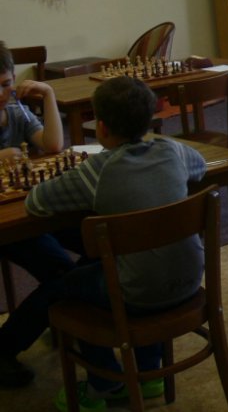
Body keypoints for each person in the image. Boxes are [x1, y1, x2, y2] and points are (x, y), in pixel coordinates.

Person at [3, 76, 207, 410]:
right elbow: (199, 168)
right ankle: (149, 374)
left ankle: (105, 384)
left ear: (101, 127)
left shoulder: (97, 171)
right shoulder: (173, 150)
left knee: (62, 286)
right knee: (122, 262)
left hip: (137, 294)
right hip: (190, 281)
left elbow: (35, 203)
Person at [0, 41, 76, 388]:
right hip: (8, 224)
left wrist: (48, 95)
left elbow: (54, 145)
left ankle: (64, 316)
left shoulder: (15, 111)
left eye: (6, 84)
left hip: (30, 213)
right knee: (64, 275)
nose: (2, 93)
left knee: (89, 251)